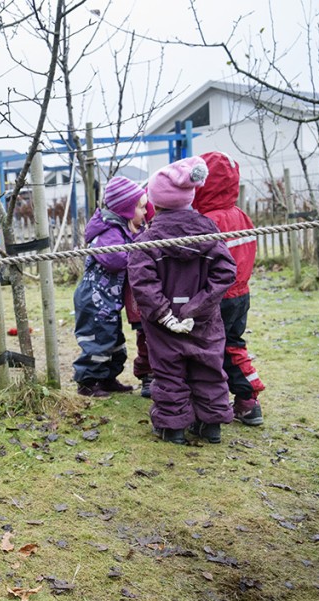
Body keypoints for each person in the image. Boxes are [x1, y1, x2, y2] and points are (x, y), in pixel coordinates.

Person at [128, 157, 236, 444]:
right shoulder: (209, 231)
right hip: (204, 321)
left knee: (168, 373)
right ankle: (211, 425)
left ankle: (172, 428)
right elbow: (225, 272)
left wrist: (166, 315)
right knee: (208, 368)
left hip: (165, 325)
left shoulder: (147, 241)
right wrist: (198, 308)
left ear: (156, 202)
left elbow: (142, 282)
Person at [192, 152, 265, 426]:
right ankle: (247, 401)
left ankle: (223, 400)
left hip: (217, 297)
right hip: (241, 294)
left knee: (211, 348)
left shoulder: (208, 222)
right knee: (232, 345)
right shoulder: (241, 216)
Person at [72, 176, 149, 397]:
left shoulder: (123, 230)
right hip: (94, 300)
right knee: (98, 342)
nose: (145, 213)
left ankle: (107, 378)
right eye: (141, 208)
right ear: (126, 209)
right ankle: (87, 382)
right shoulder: (108, 232)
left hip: (108, 302)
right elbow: (115, 260)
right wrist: (137, 250)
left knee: (115, 342)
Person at [123, 199, 157, 398]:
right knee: (144, 340)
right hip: (138, 301)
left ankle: (159, 375)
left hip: (156, 299)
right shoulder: (135, 235)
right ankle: (147, 376)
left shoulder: (154, 235)